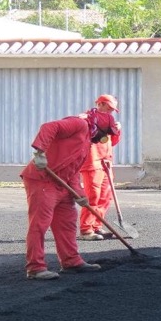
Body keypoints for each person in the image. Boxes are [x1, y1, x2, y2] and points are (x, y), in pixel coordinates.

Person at [20, 109, 118, 280]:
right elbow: (49, 127)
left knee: (67, 224)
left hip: (62, 183)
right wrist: (40, 153)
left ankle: (71, 261)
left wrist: (80, 194)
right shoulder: (79, 124)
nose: (104, 137)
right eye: (106, 133)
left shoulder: (87, 141)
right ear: (100, 127)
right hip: (43, 179)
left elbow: (72, 170)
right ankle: (35, 268)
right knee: (40, 224)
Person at [79, 95, 122, 240]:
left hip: (106, 162)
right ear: (100, 104)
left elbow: (112, 142)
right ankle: (86, 230)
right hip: (92, 163)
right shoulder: (85, 119)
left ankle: (97, 226)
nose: (110, 112)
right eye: (108, 108)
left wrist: (117, 130)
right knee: (93, 197)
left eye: (112, 109)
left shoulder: (109, 121)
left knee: (105, 197)